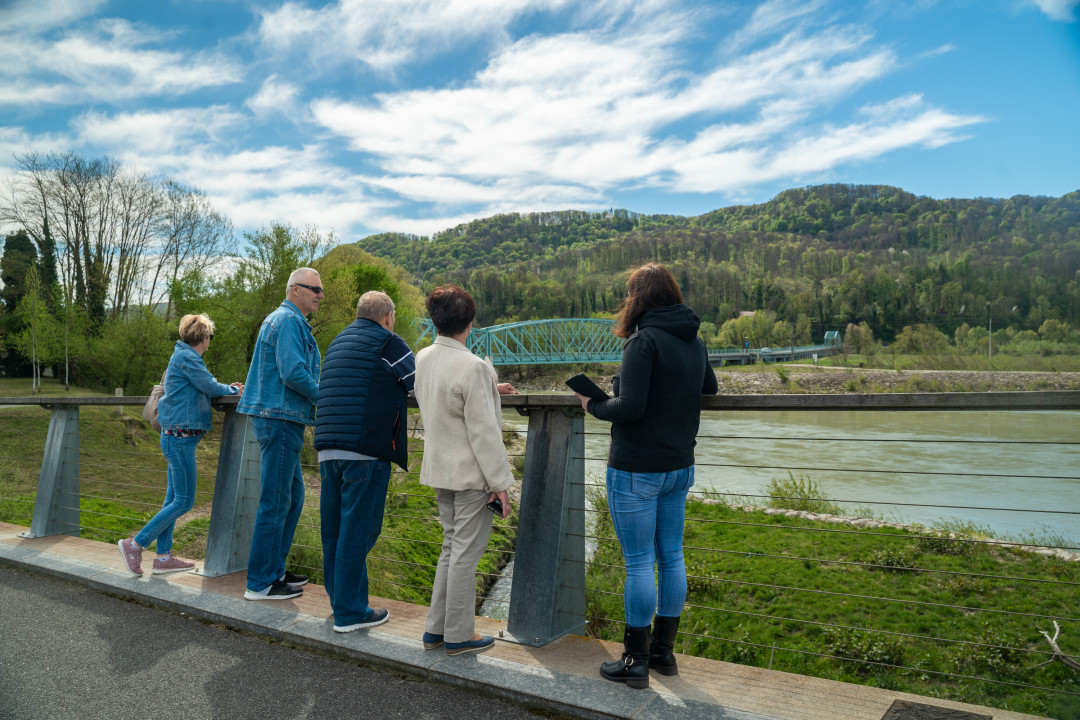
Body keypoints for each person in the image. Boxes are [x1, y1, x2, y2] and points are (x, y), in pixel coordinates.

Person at [575, 263, 718, 689]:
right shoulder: (692, 339)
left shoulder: (644, 341)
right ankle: (663, 655)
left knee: (639, 562)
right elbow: (707, 389)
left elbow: (630, 408)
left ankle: (634, 662)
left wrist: (592, 404)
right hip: (679, 466)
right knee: (671, 556)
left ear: (637, 299)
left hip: (637, 469)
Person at [414, 285, 518, 655]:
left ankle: (435, 630)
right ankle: (459, 635)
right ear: (470, 322)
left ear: (434, 320)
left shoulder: (423, 357)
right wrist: (501, 483)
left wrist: (488, 384)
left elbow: (448, 396)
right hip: (472, 475)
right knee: (465, 555)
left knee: (449, 549)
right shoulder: (472, 366)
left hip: (440, 469)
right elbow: (484, 432)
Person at [314, 291, 416, 633]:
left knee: (335, 532)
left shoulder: (338, 341)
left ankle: (339, 600)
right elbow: (422, 383)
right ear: (387, 316)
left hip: (328, 451)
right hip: (365, 450)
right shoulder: (389, 343)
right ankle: (351, 612)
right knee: (359, 531)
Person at [118, 314, 242, 576]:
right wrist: (234, 391)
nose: (210, 340)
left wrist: (226, 388)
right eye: (210, 336)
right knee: (184, 502)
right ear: (204, 337)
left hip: (176, 438)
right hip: (179, 440)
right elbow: (209, 386)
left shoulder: (183, 356)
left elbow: (205, 385)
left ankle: (163, 557)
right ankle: (136, 543)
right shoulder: (188, 358)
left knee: (172, 499)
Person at [239, 267, 323, 601]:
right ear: (294, 290)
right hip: (280, 417)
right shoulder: (288, 321)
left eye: (321, 290)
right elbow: (293, 373)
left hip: (281, 416)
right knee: (275, 500)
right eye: (314, 288)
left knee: (293, 497)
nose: (320, 294)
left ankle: (274, 569)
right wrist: (324, 396)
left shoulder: (285, 320)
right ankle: (260, 583)